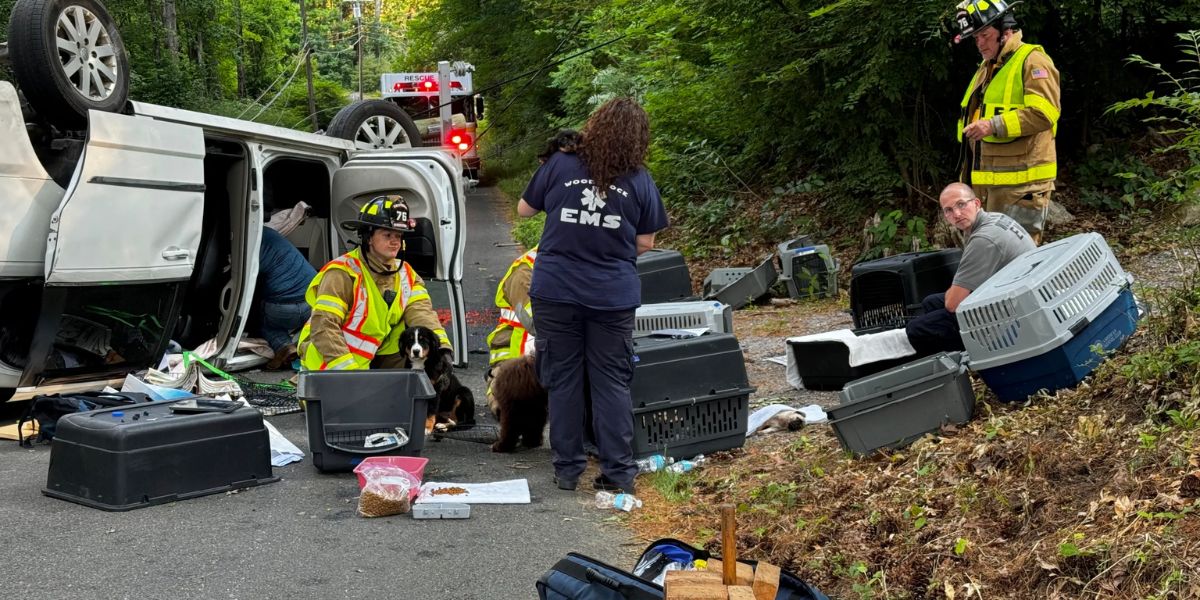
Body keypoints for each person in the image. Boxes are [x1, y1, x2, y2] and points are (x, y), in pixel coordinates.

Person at [517, 98, 669, 495]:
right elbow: (647, 241)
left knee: (563, 379)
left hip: (556, 290)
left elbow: (523, 210)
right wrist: (609, 248)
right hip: (611, 295)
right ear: (638, 140)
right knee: (611, 383)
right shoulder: (639, 179)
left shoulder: (561, 164)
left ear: (595, 126)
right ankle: (619, 474)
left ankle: (567, 470)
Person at [297, 195, 451, 371]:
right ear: (368, 237)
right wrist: (349, 373)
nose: (395, 242)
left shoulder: (406, 273)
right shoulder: (341, 273)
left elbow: (422, 313)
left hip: (370, 359)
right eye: (387, 235)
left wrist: (442, 348)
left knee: (405, 333)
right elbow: (324, 326)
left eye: (398, 235)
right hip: (331, 362)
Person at [953, 0, 1060, 244]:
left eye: (985, 35)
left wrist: (993, 125)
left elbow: (1044, 113)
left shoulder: (1033, 61)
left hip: (1022, 187)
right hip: (988, 187)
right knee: (991, 257)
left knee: (1020, 258)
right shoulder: (987, 67)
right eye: (975, 38)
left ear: (1006, 31)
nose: (979, 43)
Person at [905, 182, 1035, 355]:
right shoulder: (994, 218)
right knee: (931, 302)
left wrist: (956, 291)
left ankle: (970, 360)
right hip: (1014, 290)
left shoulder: (984, 239)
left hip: (1013, 312)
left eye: (961, 204)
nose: (957, 214)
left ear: (976, 203)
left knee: (916, 330)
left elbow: (953, 304)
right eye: (948, 210)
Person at [255, 227, 317, 369]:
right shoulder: (270, 233)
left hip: (283, 308)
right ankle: (305, 345)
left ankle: (283, 345)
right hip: (312, 300)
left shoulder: (247, 241)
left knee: (265, 322)